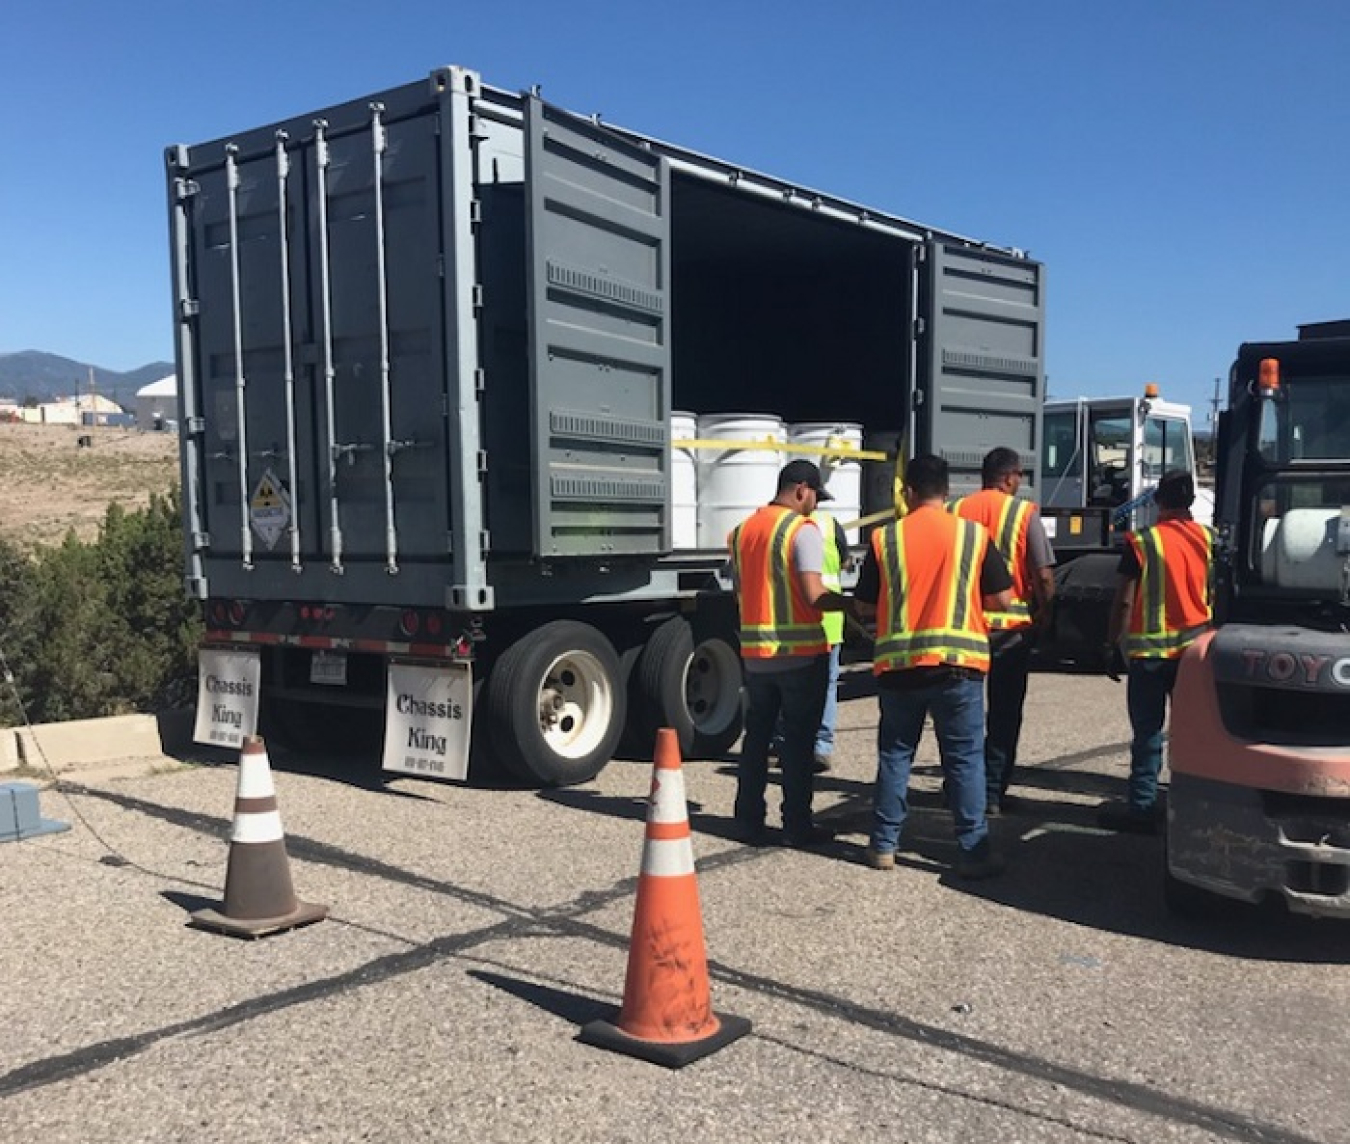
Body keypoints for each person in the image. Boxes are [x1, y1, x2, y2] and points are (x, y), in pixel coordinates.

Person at [853, 454, 1013, 878]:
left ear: (908, 492)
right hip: (958, 667)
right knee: (963, 759)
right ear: (947, 492)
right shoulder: (973, 536)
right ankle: (971, 852)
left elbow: (865, 605)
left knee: (895, 755)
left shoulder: (884, 539)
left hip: (899, 667)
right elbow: (1002, 601)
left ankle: (884, 845)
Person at [727, 459, 852, 848]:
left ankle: (748, 821)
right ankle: (796, 826)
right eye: (815, 496)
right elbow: (814, 595)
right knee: (797, 746)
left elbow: (739, 591)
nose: (815, 504)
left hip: (755, 654)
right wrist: (854, 607)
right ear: (801, 490)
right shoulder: (802, 530)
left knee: (756, 739)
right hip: (799, 656)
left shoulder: (742, 532)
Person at [1098, 469, 1214, 834]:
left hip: (1149, 657)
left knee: (1148, 734)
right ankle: (1193, 806)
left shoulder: (1142, 542)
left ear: (1159, 501)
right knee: (1192, 733)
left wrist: (1110, 643)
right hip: (1194, 657)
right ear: (1191, 502)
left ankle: (1143, 807)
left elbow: (1124, 600)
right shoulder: (1208, 539)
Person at [950, 447, 1056, 815]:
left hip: (965, 629)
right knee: (1004, 714)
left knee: (963, 715)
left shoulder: (956, 510)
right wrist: (1046, 612)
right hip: (1010, 632)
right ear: (1010, 477)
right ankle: (992, 793)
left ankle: (959, 788)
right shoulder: (1024, 513)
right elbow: (1042, 574)